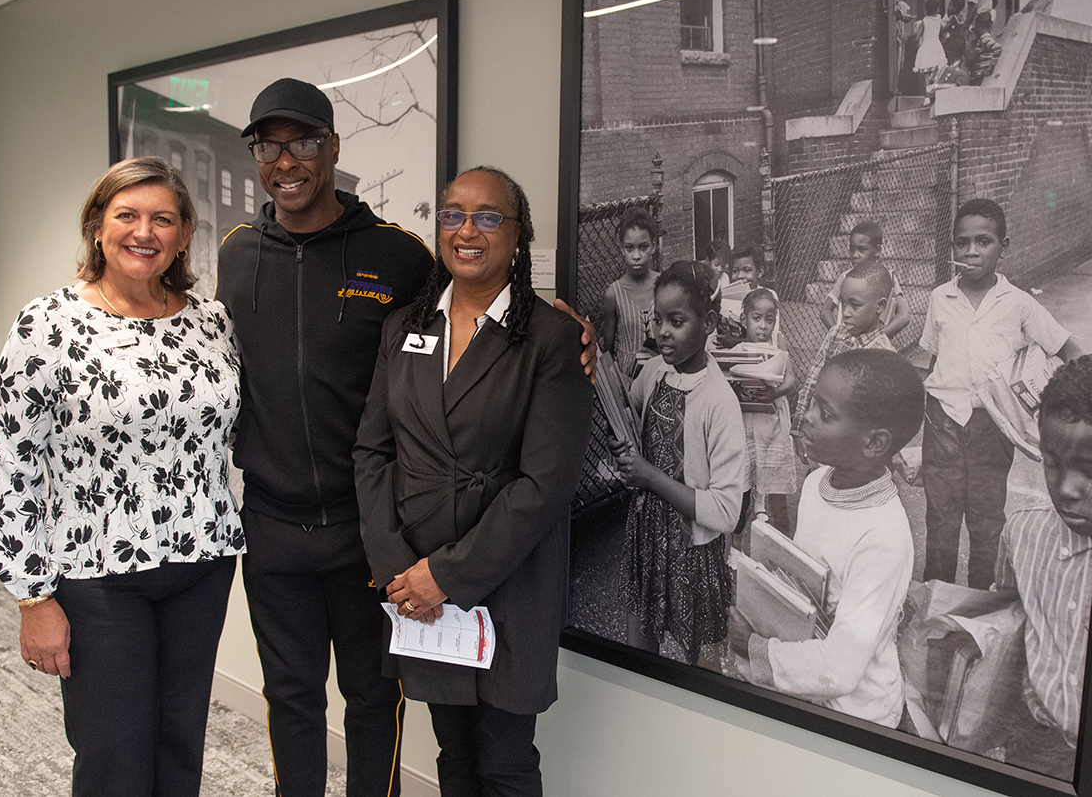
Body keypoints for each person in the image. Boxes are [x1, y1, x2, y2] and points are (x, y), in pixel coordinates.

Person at [215, 78, 599, 797]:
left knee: (380, 707)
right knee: (295, 701)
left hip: (374, 542)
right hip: (283, 527)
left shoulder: (396, 256)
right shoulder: (238, 254)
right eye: (268, 145)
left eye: (301, 142)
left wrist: (579, 336)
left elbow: (487, 317)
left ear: (331, 148)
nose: (285, 160)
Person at [0, 156, 244, 796]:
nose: (143, 232)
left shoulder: (210, 323)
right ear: (97, 227)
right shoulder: (46, 325)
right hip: (97, 576)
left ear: (184, 235)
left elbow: (231, 431)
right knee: (113, 755)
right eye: (127, 215)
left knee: (180, 745)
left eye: (163, 219)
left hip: (203, 562)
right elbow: (10, 463)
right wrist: (32, 596)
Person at [353, 166, 594, 797]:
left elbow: (545, 485)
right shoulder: (403, 327)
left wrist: (447, 577)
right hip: (417, 578)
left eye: (488, 216)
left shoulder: (551, 338)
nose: (467, 230)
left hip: (508, 580)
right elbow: (372, 453)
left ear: (517, 235)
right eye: (453, 214)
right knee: (453, 754)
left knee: (505, 761)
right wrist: (398, 569)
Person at [730, 348, 925, 729]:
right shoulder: (818, 482)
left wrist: (754, 648)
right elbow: (803, 587)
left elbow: (841, 668)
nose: (807, 418)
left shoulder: (883, 538)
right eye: (813, 404)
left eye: (826, 413)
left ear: (874, 443)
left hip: (857, 713)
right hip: (804, 682)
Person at [919, 198, 1082, 589]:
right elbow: (934, 362)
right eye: (962, 243)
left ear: (1003, 247)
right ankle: (935, 603)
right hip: (941, 420)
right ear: (953, 248)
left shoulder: (1020, 305)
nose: (971, 251)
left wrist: (1053, 404)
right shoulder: (941, 297)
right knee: (940, 519)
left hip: (992, 426)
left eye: (983, 241)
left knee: (986, 518)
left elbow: (1069, 351)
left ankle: (977, 605)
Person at [612, 261, 750, 668]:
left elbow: (727, 512)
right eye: (657, 320)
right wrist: (619, 443)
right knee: (640, 651)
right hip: (647, 534)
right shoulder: (655, 372)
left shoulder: (719, 401)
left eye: (676, 321)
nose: (662, 333)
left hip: (693, 549)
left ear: (707, 322)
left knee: (702, 664)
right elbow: (630, 418)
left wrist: (648, 476)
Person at [994, 353, 1092, 779]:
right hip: (1036, 737)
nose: (1065, 488)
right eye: (1050, 461)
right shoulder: (1025, 534)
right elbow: (1008, 611)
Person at [794, 261, 897, 445]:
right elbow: (812, 380)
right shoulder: (836, 334)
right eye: (843, 304)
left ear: (880, 306)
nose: (846, 313)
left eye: (855, 305)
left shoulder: (884, 355)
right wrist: (799, 426)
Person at [739, 288, 797, 536]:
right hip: (747, 422)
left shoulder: (778, 342)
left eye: (769, 319)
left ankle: (784, 540)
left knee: (775, 481)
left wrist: (773, 393)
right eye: (756, 318)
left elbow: (791, 380)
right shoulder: (739, 348)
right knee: (742, 480)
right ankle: (737, 544)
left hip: (772, 422)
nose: (763, 326)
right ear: (744, 320)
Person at [819, 222, 910, 339]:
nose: (855, 255)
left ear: (877, 251)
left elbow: (904, 316)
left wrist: (878, 338)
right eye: (852, 249)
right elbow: (825, 311)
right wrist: (839, 337)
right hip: (849, 342)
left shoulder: (888, 277)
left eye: (862, 250)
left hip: (877, 347)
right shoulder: (846, 277)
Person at [600, 207, 659, 378]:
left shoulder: (664, 285)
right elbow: (608, 350)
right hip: (628, 377)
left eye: (643, 247)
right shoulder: (613, 294)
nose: (636, 255)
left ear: (653, 247)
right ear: (621, 250)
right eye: (629, 248)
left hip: (661, 372)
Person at [914, 0, 949, 90]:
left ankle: (927, 96)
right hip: (936, 46)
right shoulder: (939, 20)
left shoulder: (925, 21)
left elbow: (917, 37)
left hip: (927, 47)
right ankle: (935, 93)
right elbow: (941, 32)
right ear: (937, 8)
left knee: (926, 72)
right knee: (937, 69)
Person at [967, 11, 1003, 85]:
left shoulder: (985, 38)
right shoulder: (982, 38)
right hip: (978, 76)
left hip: (979, 77)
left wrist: (991, 66)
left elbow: (998, 48)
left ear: (979, 26)